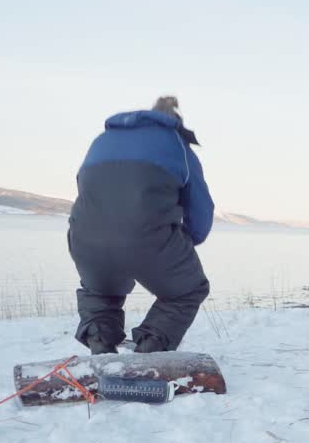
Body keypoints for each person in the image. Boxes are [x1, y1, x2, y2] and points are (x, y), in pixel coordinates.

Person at [67, 96, 214, 355]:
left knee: (101, 292)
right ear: (174, 121)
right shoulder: (177, 144)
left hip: (84, 238)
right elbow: (201, 210)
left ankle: (100, 339)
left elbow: (85, 190)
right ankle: (151, 347)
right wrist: (185, 241)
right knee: (189, 289)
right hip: (147, 238)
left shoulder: (102, 140)